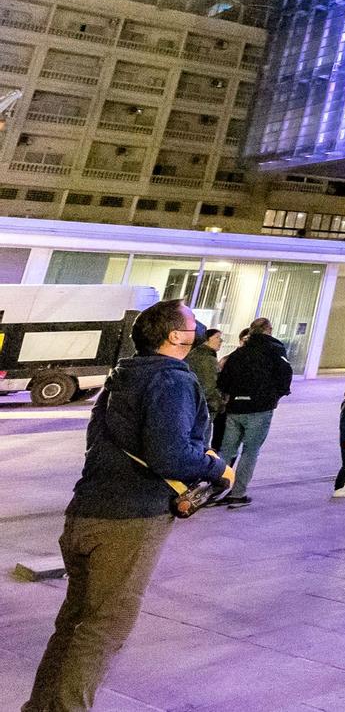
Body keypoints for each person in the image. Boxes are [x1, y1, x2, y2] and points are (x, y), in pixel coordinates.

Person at [23, 298, 231, 712]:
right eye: (191, 322)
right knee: (104, 628)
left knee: (74, 624)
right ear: (175, 336)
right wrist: (216, 467)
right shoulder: (173, 379)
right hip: (129, 521)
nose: (199, 327)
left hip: (85, 511)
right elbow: (169, 455)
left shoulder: (122, 376)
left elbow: (98, 444)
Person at [215, 316, 293, 508]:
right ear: (269, 330)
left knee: (227, 450)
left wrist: (232, 395)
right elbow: (285, 374)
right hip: (260, 408)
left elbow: (223, 379)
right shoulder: (275, 351)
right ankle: (238, 494)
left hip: (235, 408)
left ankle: (213, 491)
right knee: (250, 452)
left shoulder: (239, 353)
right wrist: (275, 395)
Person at [184, 325, 226, 446]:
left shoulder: (195, 354)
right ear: (207, 339)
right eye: (217, 337)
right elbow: (209, 386)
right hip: (206, 407)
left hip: (192, 403)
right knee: (202, 442)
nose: (221, 341)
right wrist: (220, 403)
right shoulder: (207, 359)